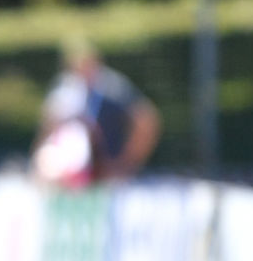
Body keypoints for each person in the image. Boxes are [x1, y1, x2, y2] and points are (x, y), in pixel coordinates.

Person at [32, 36, 160, 184]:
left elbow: (146, 120)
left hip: (108, 173)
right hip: (73, 172)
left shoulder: (113, 89)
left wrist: (127, 163)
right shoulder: (66, 89)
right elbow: (49, 126)